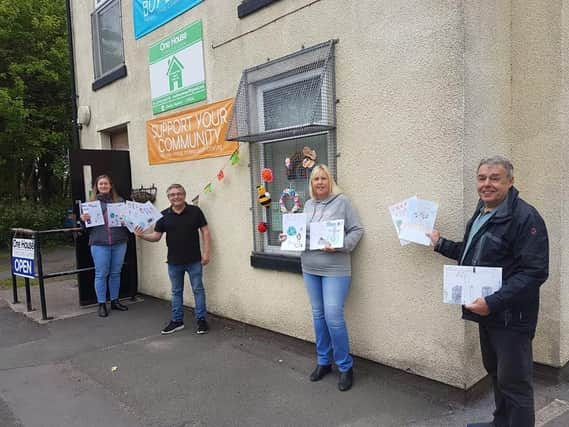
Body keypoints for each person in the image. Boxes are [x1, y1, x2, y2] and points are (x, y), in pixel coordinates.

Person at [428, 156, 549, 427]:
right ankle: (501, 423)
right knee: (496, 374)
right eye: (482, 178)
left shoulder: (525, 217)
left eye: (495, 178)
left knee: (515, 384)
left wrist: (493, 302)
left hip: (511, 318)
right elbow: (473, 255)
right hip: (488, 313)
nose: (487, 184)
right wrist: (440, 244)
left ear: (510, 182)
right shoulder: (483, 212)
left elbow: (535, 272)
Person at [282, 164, 364, 392]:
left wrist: (340, 246)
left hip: (335, 269)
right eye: (316, 179)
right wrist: (288, 237)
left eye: (323, 178)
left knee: (333, 316)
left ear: (330, 181)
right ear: (311, 183)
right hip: (309, 267)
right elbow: (301, 235)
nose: (319, 182)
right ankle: (323, 362)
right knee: (318, 316)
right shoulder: (307, 205)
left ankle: (345, 366)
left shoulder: (342, 202)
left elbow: (357, 230)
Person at [134, 184, 211, 335]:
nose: (176, 197)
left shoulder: (195, 212)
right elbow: (156, 236)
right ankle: (177, 321)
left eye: (179, 194)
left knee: (198, 290)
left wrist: (207, 253)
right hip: (174, 262)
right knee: (176, 292)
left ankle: (201, 320)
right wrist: (142, 235)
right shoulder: (163, 215)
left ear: (184, 195)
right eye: (172, 195)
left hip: (194, 260)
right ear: (168, 197)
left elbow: (205, 232)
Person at [80, 174, 130, 318]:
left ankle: (114, 301)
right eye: (101, 184)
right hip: (99, 243)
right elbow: (85, 228)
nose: (103, 186)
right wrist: (83, 220)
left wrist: (128, 220)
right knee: (101, 274)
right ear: (97, 187)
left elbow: (128, 221)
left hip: (119, 242)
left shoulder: (120, 201)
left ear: (110, 185)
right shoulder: (90, 204)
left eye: (106, 184)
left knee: (115, 273)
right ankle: (101, 304)